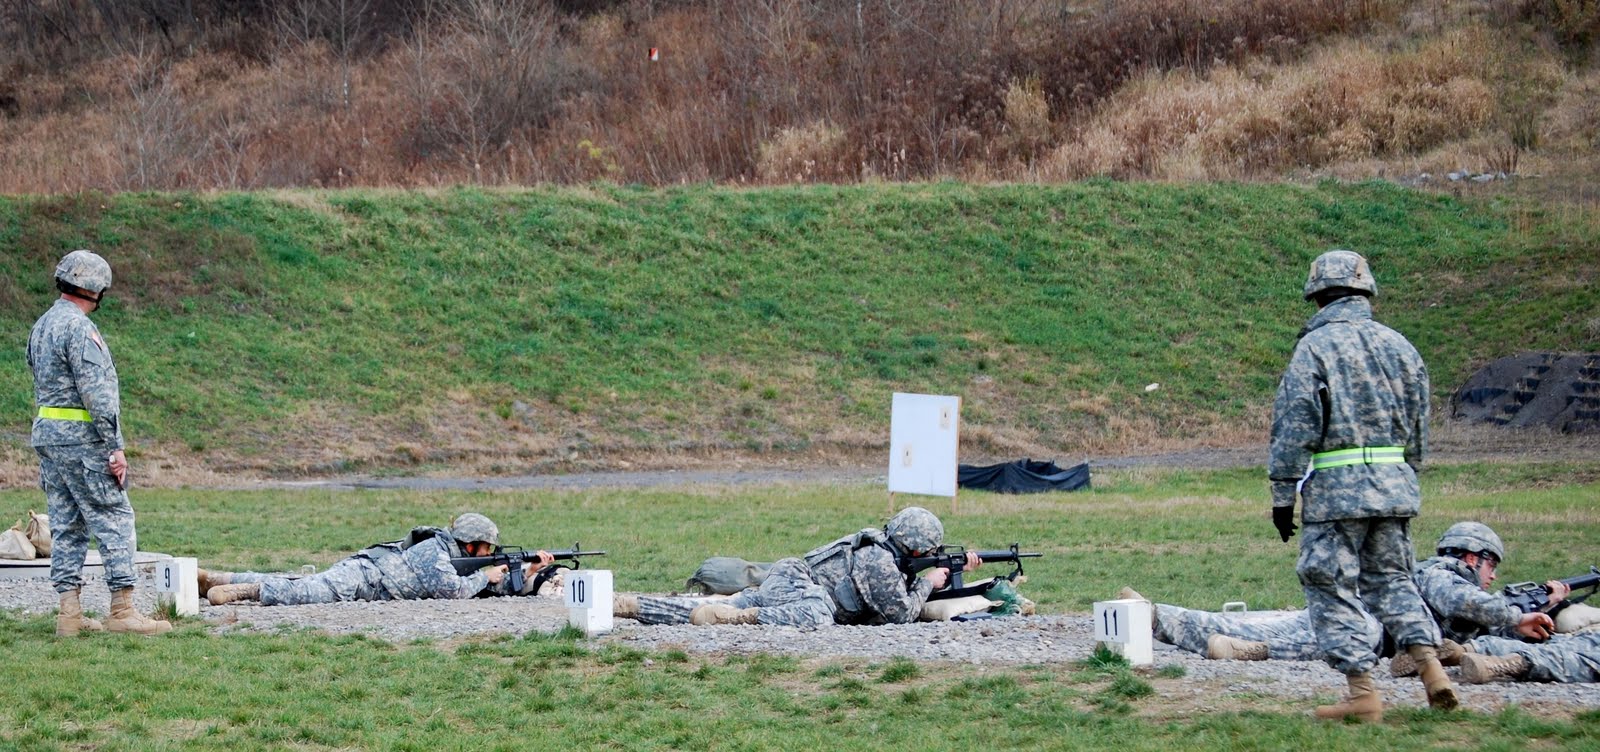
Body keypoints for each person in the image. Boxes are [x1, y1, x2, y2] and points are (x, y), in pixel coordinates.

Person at [1268, 249, 1455, 721]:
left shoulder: (1315, 348)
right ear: (1365, 289)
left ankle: (1362, 695)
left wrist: (1282, 493)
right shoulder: (1401, 346)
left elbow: (1296, 424)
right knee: (1393, 579)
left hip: (1337, 494)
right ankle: (1434, 674)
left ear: (1317, 296)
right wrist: (1403, 473)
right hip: (1394, 486)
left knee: (1329, 582)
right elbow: (1419, 426)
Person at [30, 250, 171, 637]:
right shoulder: (79, 329)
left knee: (66, 524)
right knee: (115, 518)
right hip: (84, 443)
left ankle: (69, 615)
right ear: (96, 290)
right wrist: (115, 445)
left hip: (50, 441)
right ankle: (123, 609)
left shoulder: (42, 326)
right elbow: (98, 394)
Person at [617, 506, 981, 627]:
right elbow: (901, 613)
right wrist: (928, 583)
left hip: (790, 582)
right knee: (820, 615)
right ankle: (744, 620)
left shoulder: (879, 546)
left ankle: (634, 605)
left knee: (716, 606)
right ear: (914, 546)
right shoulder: (880, 562)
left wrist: (949, 569)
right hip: (800, 588)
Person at [1392, 521, 1600, 684]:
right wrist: (1516, 616)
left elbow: (1485, 629)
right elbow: (1466, 601)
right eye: (1491, 566)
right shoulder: (1436, 573)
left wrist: (1542, 609)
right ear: (1473, 559)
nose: (1493, 576)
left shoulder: (1451, 583)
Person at [200, 513, 555, 605]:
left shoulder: (456, 556)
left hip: (371, 583)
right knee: (310, 591)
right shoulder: (436, 550)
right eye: (487, 548)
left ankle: (221, 578)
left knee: (302, 581)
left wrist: (529, 571)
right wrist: (487, 576)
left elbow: (489, 587)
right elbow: (454, 592)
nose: (491, 555)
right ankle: (244, 592)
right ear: (471, 544)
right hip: (366, 577)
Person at [1117, 587, 1381, 662]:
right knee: (1250, 626)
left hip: (1380, 625)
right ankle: (1156, 617)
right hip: (1350, 603)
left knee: (1356, 635)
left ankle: (1256, 650)